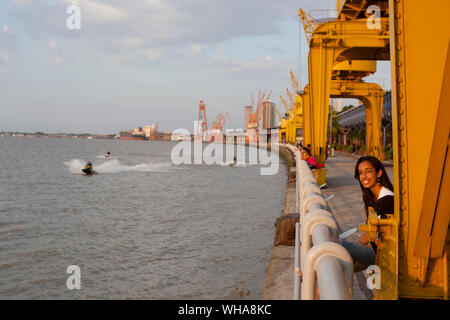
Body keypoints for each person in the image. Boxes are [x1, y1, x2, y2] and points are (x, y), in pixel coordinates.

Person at [339, 156, 394, 271]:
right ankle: (310, 279)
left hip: (384, 254)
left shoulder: (387, 199)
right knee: (340, 267)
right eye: (360, 173)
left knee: (339, 246)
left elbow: (369, 233)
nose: (363, 176)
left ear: (379, 173)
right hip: (375, 250)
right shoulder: (372, 197)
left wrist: (357, 249)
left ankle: (307, 277)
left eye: (368, 171)